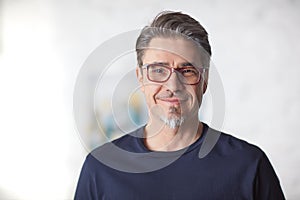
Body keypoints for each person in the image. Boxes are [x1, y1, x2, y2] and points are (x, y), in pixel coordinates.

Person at [74, 11, 285, 199]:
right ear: (140, 78)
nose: (173, 85)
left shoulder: (248, 165)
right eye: (158, 70)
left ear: (204, 80)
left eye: (187, 71)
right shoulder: (100, 168)